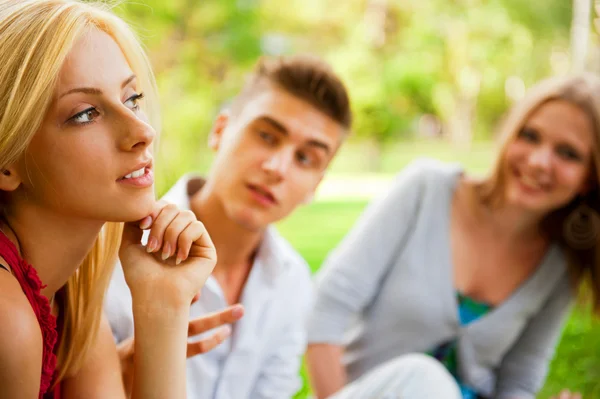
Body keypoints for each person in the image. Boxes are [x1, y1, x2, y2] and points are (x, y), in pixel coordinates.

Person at [306, 73, 600, 399]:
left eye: (568, 153)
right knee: (423, 378)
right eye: (530, 136)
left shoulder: (558, 264)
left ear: (589, 177)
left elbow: (518, 381)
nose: (539, 161)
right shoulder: (426, 190)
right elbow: (328, 307)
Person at [0, 1, 219, 398]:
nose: (142, 131)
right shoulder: (7, 318)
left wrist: (162, 306)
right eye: (86, 114)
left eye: (132, 98)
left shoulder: (71, 300)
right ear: (6, 163)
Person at [105, 55, 353, 398]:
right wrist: (112, 373)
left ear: (316, 185)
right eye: (267, 136)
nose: (277, 167)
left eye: (305, 158)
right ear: (220, 131)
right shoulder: (115, 252)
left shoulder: (292, 280)